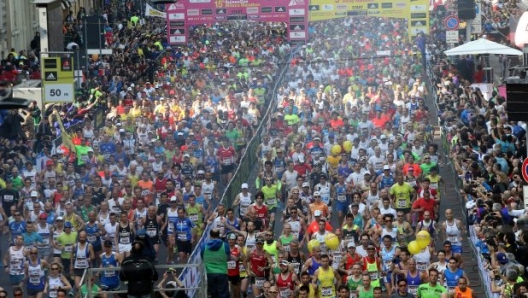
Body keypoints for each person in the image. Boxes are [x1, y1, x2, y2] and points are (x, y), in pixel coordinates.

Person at [200, 228, 230, 298]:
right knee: (223, 294)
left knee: (213, 294)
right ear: (218, 235)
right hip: (222, 272)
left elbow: (202, 258)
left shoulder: (204, 246)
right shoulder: (225, 245)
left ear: (210, 235)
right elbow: (228, 258)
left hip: (210, 273)